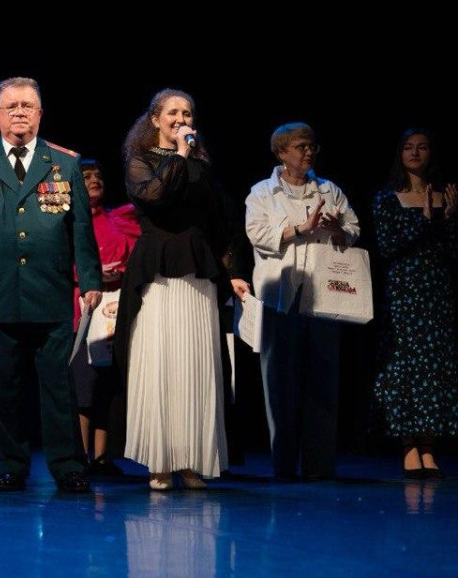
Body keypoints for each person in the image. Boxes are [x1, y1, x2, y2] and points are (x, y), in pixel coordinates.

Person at [0, 77, 102, 493]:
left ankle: (68, 465)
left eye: (27, 106)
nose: (19, 112)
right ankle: (8, 465)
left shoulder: (64, 162)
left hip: (49, 287)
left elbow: (81, 228)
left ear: (40, 114)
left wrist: (89, 279)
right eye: (10, 106)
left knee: (58, 386)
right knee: (2, 386)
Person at [116, 88, 248, 491]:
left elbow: (221, 222)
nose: (181, 119)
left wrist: (232, 271)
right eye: (173, 112)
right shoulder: (140, 160)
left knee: (195, 364)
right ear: (155, 120)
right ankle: (159, 460)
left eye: (187, 113)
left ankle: (192, 460)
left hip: (197, 269)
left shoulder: (201, 166)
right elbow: (156, 196)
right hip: (157, 270)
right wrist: (181, 153)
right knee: (160, 362)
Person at [244, 122, 358, 480]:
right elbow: (256, 234)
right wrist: (300, 230)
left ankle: (319, 466)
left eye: (312, 147)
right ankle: (283, 466)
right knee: (280, 382)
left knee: (323, 380)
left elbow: (353, 228)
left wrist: (337, 229)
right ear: (282, 152)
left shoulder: (329, 189)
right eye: (301, 147)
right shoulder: (262, 192)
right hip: (281, 297)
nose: (309, 153)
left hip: (323, 296)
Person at [371, 128, 458, 478]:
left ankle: (429, 448)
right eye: (408, 147)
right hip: (404, 291)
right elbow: (387, 246)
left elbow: (452, 251)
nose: (415, 153)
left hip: (436, 292)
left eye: (422, 147)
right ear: (400, 154)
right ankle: (408, 446)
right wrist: (423, 222)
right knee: (405, 365)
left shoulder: (444, 196)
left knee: (434, 368)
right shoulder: (387, 198)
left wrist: (448, 219)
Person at [71, 158, 140, 476]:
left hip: (113, 310)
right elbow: (59, 263)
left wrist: (121, 272)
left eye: (98, 175)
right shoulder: (69, 222)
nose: (95, 180)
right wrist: (92, 275)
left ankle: (102, 457)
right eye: (86, 176)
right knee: (84, 385)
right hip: (81, 310)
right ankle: (80, 456)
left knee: (108, 384)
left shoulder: (118, 219)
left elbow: (135, 257)